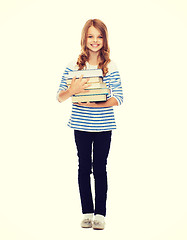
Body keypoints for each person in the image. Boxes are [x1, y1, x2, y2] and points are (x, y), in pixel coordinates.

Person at [57, 19, 123, 230]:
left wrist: (95, 104)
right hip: (81, 125)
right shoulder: (73, 66)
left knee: (100, 168)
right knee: (84, 167)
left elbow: (119, 97)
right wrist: (72, 91)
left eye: (99, 36)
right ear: (84, 38)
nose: (95, 41)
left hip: (104, 126)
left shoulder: (110, 66)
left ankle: (100, 214)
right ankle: (87, 212)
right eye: (91, 36)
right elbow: (60, 97)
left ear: (105, 39)